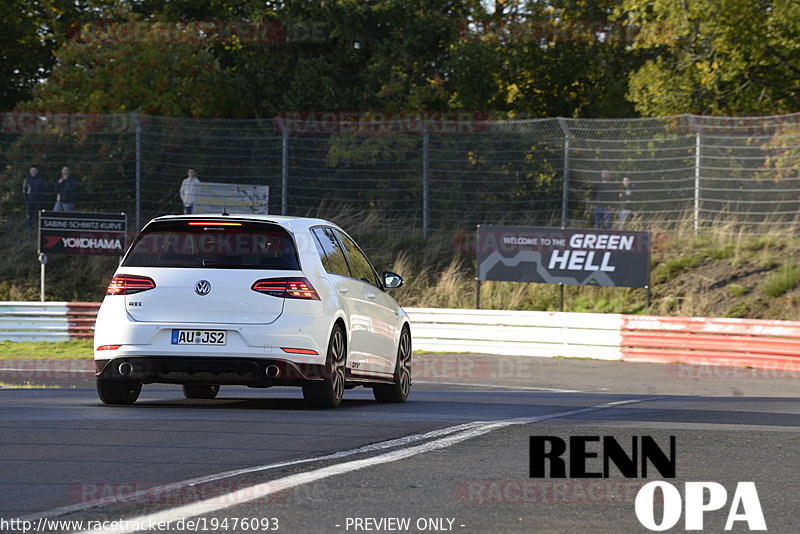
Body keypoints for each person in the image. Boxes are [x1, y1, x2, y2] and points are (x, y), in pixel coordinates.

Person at [22, 165, 44, 230]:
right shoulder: (26, 180)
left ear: (37, 171)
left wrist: (40, 200)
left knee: (37, 215)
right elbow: (24, 191)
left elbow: (42, 191)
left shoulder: (40, 180)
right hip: (29, 201)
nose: (33, 172)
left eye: (34, 171)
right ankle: (29, 229)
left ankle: (37, 229)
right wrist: (26, 200)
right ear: (30, 171)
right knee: (29, 215)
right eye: (32, 170)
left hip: (38, 201)